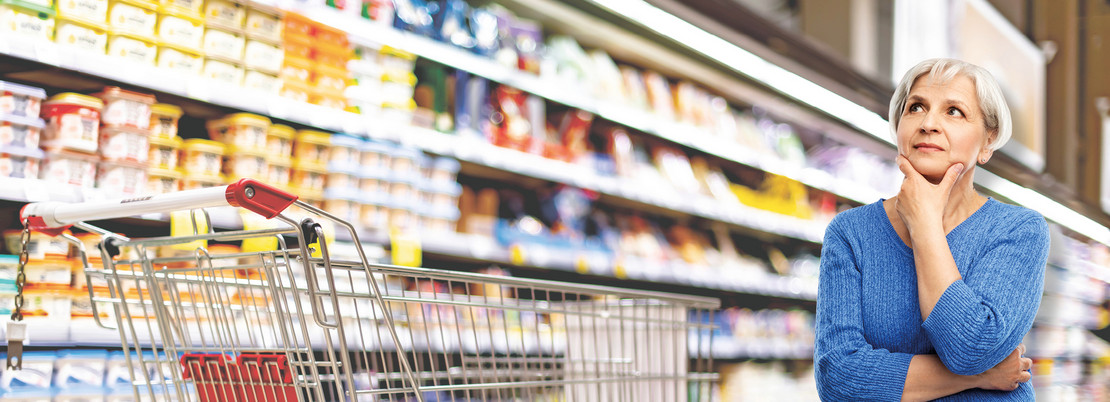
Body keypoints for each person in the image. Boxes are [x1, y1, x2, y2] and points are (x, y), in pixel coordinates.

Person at [814, 58, 1049, 401]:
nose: (928, 123)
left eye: (954, 111)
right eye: (916, 107)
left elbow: (970, 348)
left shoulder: (1019, 230)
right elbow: (838, 377)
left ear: (988, 141)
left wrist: (924, 225)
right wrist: (980, 377)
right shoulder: (851, 233)